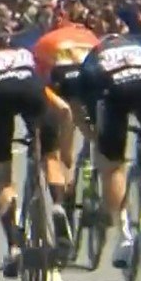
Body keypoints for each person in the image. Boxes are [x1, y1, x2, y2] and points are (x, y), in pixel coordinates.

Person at [0, 27, 72, 277]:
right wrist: (59, 146)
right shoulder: (25, 55)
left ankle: (13, 245)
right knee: (49, 158)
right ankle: (58, 205)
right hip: (31, 90)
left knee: (2, 175)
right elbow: (57, 103)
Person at [78, 32, 141, 268]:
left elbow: (83, 109)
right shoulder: (137, 51)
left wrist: (95, 136)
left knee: (113, 167)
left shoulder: (93, 58)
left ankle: (125, 236)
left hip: (112, 95)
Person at [31, 19, 100, 195]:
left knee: (64, 115)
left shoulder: (47, 39)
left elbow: (37, 77)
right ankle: (97, 144)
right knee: (90, 116)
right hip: (90, 75)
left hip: (63, 75)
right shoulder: (90, 36)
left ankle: (66, 170)